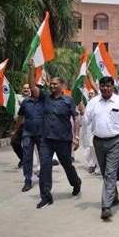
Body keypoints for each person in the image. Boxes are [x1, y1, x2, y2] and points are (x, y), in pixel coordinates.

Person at [28, 59, 82, 209]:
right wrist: (32, 69)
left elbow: (76, 118)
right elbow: (32, 86)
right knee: (45, 166)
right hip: (46, 139)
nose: (52, 85)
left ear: (62, 86)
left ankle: (76, 182)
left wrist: (76, 137)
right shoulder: (45, 98)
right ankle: (46, 196)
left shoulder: (68, 100)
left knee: (67, 164)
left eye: (55, 84)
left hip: (63, 140)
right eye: (50, 84)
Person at [79, 76, 119, 220]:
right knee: (105, 173)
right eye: (102, 86)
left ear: (112, 86)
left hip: (115, 141)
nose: (104, 88)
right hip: (98, 142)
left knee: (110, 172)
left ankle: (106, 206)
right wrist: (82, 113)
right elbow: (86, 122)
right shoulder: (93, 102)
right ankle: (114, 197)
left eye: (108, 86)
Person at [9, 84, 43, 192]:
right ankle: (28, 181)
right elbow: (20, 117)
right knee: (27, 157)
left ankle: (44, 175)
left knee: (43, 156)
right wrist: (15, 130)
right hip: (27, 133)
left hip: (41, 134)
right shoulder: (26, 102)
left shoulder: (45, 102)